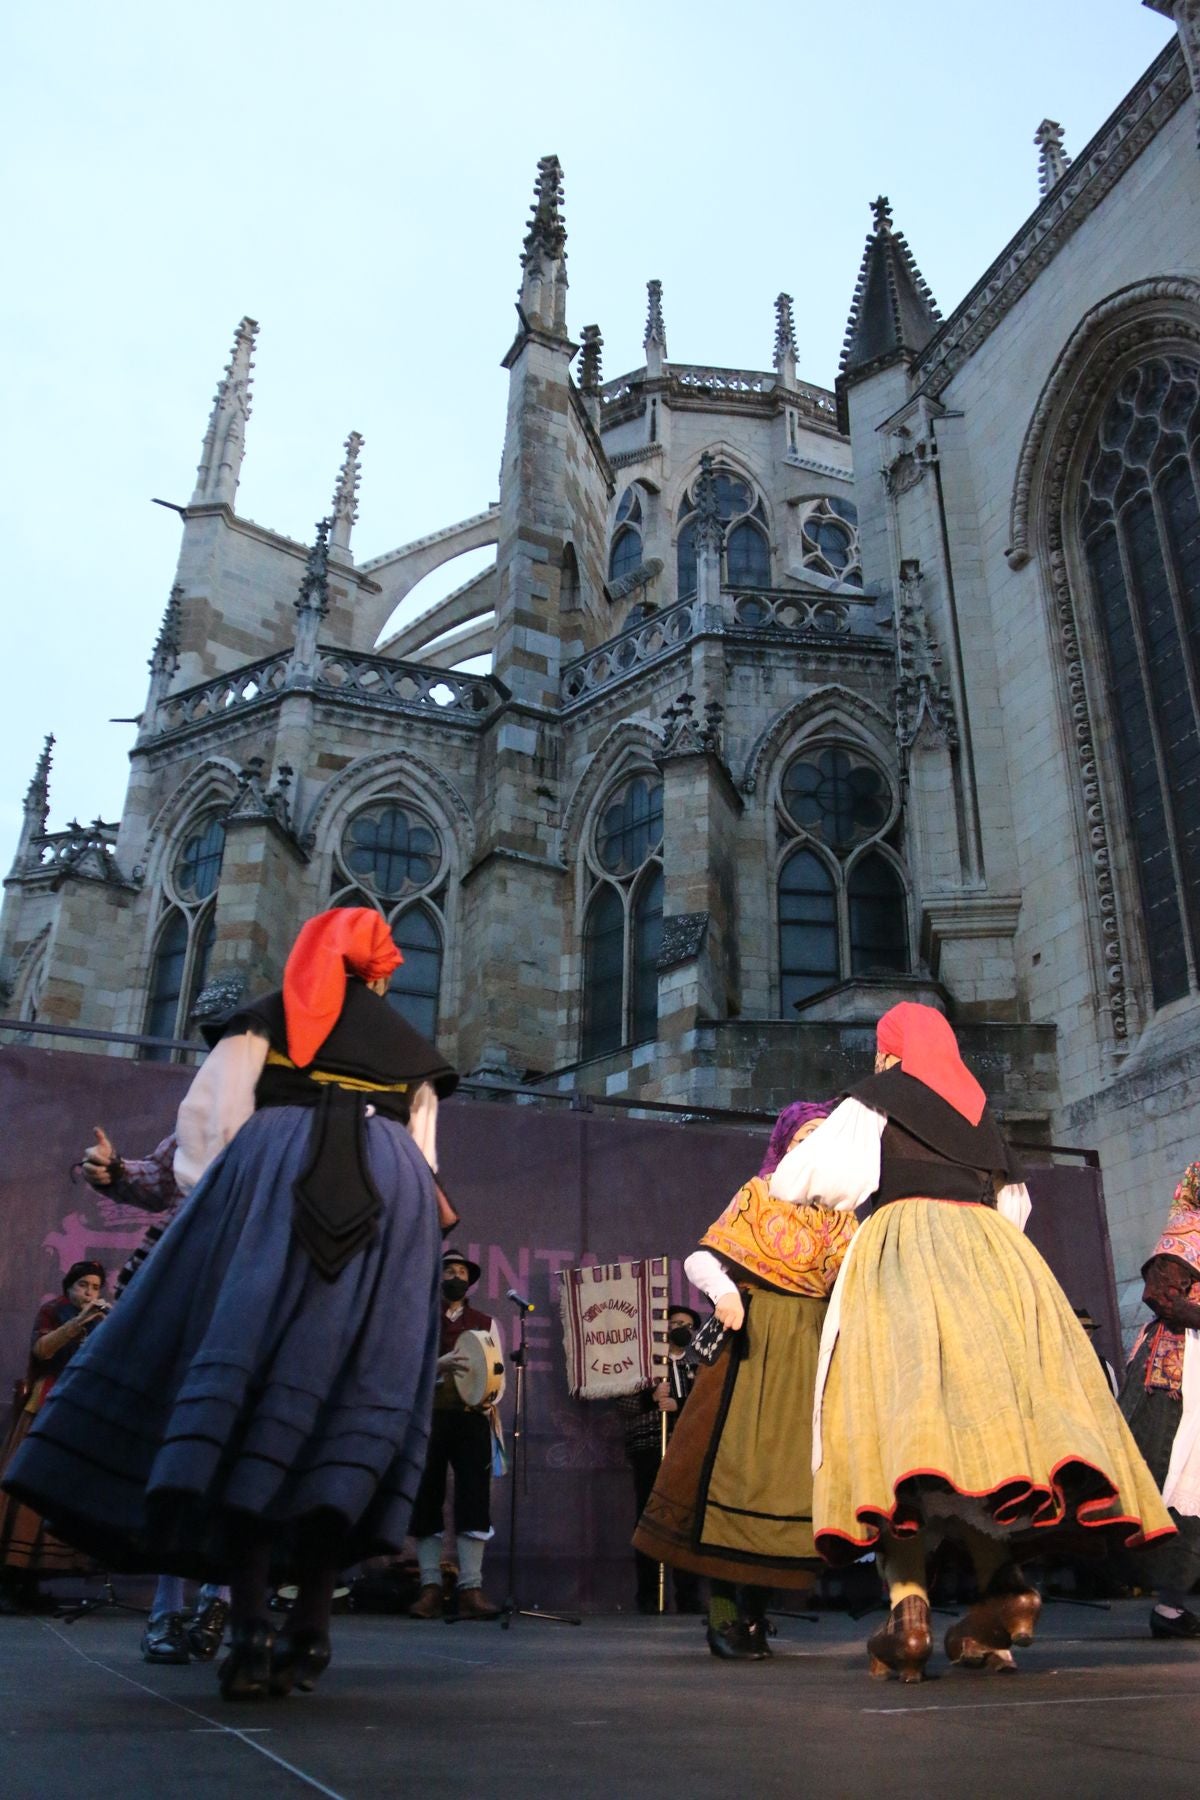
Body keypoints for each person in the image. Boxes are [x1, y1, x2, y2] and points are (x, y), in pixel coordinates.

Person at [4, 907, 457, 1702]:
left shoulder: (258, 1028)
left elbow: (198, 1154)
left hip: (272, 1191)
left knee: (245, 1406)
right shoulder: (410, 1057)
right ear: (380, 971)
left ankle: (248, 1627)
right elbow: (424, 1165)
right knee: (341, 1413)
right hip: (391, 1212)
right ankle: (311, 1628)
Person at [769, 1002, 1175, 1682]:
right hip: (997, 1268)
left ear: (893, 1050)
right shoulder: (979, 1113)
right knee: (980, 1437)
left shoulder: (878, 1098)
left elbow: (800, 1179)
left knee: (894, 1432)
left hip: (902, 1255)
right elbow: (1014, 1207)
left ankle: (909, 1610)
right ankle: (1005, 1592)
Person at [634, 1100, 856, 1659]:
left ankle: (755, 1613)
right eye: (804, 1139)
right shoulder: (761, 1194)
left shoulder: (844, 1215)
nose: (814, 1150)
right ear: (785, 1146)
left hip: (810, 1352)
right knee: (736, 1476)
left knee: (786, 1483)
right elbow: (701, 1259)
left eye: (823, 1141)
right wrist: (728, 1293)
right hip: (755, 1351)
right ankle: (725, 1612)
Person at [78, 1124, 230, 1665]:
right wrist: (113, 1168)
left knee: (234, 1454)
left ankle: (218, 1597)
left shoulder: (302, 1125)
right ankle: (167, 1607)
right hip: (178, 1282)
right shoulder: (212, 1113)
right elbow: (160, 1178)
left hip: (251, 1291)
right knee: (173, 1449)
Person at [1117, 1161, 1200, 1639]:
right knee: (1170, 1486)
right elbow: (1160, 1297)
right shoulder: (1187, 1231)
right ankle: (1168, 1606)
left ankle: (1171, 1605)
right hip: (1175, 1375)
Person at [0, 1261, 109, 1610]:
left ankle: (32, 1584)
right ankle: (9, 1581)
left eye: (95, 1287)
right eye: (82, 1285)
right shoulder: (54, 1311)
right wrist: (79, 1322)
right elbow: (42, 1351)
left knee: (55, 1495)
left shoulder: (102, 1319)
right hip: (43, 1409)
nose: (88, 1292)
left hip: (75, 1414)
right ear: (68, 1287)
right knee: (23, 1495)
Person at [408, 1248, 503, 1621]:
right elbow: (407, 1369)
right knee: (426, 1496)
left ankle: (470, 1588)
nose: (456, 1275)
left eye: (462, 1270)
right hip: (429, 1417)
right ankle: (430, 1586)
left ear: (470, 1280)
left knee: (474, 1499)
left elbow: (497, 1374)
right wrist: (437, 1366)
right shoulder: (420, 1320)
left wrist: (488, 1398)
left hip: (471, 1418)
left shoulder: (485, 1322)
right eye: (449, 1269)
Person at [618, 1303, 703, 1615]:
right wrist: (649, 1398)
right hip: (650, 1446)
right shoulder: (645, 1364)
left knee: (687, 1521)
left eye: (686, 1324)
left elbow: (708, 1407)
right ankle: (649, 1596)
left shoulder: (701, 1365)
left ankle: (689, 1596)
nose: (679, 1327)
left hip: (688, 1450)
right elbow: (622, 1402)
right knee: (650, 1519)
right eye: (674, 1322)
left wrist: (679, 1405)